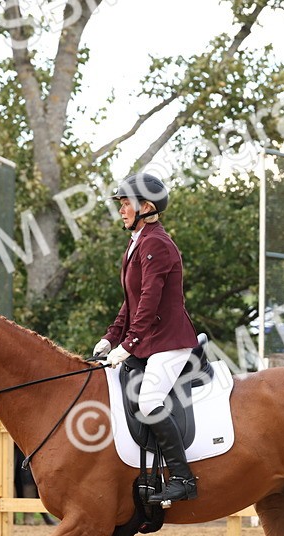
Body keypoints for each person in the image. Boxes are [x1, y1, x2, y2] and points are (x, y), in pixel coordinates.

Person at [95, 173, 200, 505]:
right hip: (149, 340)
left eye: (127, 203)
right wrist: (111, 338)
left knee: (149, 401)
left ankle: (183, 478)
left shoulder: (157, 243)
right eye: (122, 203)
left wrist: (129, 344)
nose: (122, 209)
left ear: (147, 206)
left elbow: (150, 302)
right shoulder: (137, 241)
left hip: (170, 340)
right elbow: (132, 300)